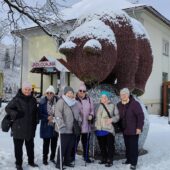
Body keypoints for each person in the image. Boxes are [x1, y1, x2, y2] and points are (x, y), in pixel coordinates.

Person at [5, 81, 39, 170]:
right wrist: (16, 113)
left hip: (30, 128)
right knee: (18, 148)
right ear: (22, 89)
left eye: (29, 89)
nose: (27, 91)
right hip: (18, 127)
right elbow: (7, 108)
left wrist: (36, 120)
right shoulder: (16, 99)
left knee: (30, 147)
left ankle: (31, 162)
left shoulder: (33, 100)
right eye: (25, 89)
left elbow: (35, 112)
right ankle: (18, 164)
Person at [54, 86, 82, 169]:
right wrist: (61, 125)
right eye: (68, 93)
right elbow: (57, 114)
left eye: (71, 93)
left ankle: (67, 161)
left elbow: (77, 114)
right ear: (65, 93)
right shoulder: (61, 102)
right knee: (63, 147)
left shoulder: (75, 103)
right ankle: (59, 163)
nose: (70, 94)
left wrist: (79, 121)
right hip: (64, 129)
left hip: (73, 129)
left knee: (70, 146)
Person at [117, 88, 144, 170]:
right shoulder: (119, 104)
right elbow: (118, 116)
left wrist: (139, 128)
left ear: (128, 94)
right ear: (120, 96)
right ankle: (128, 160)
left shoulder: (135, 104)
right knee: (127, 146)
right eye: (122, 94)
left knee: (133, 147)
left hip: (133, 130)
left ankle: (133, 163)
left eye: (125, 94)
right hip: (125, 130)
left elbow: (140, 116)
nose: (124, 96)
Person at [95, 90, 119, 167]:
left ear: (108, 98)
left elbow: (117, 116)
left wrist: (111, 119)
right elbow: (95, 116)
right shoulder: (98, 106)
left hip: (108, 129)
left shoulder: (113, 105)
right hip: (99, 128)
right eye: (102, 97)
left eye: (105, 97)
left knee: (110, 145)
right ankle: (104, 158)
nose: (103, 99)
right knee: (102, 145)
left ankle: (110, 159)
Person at [39, 85, 58, 165]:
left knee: (54, 144)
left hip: (55, 126)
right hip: (46, 126)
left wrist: (54, 117)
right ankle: (44, 159)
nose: (49, 94)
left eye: (51, 93)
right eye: (48, 93)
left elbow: (60, 112)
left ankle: (52, 157)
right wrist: (47, 117)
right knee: (46, 144)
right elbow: (39, 114)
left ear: (53, 94)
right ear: (46, 94)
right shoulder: (42, 102)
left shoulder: (58, 102)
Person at [75, 82, 94, 163]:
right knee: (75, 142)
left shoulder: (89, 99)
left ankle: (86, 156)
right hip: (77, 126)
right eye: (80, 90)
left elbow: (92, 110)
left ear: (86, 92)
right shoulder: (74, 99)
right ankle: (72, 156)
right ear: (78, 91)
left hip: (86, 125)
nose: (82, 92)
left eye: (83, 91)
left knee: (86, 142)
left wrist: (91, 115)